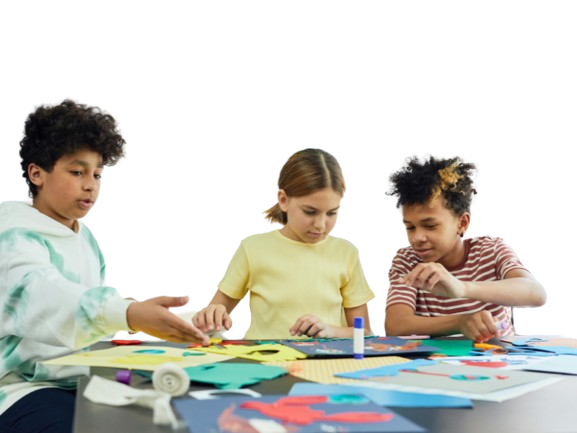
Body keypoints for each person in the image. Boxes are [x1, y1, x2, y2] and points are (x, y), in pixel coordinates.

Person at [0, 97, 209, 433]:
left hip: (83, 377)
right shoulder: (11, 236)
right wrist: (129, 313)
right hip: (20, 388)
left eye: (97, 174)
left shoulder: (85, 239)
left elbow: (90, 315)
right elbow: (46, 297)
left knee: (171, 417)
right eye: (77, 171)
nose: (90, 184)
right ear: (37, 173)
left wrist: (156, 318)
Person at [193, 148, 376, 340]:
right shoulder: (252, 248)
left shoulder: (346, 252)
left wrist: (331, 331)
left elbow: (363, 331)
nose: (321, 225)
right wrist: (212, 316)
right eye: (310, 211)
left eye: (332, 212)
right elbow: (215, 312)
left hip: (325, 364)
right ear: (283, 200)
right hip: (264, 363)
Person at [383, 154, 547, 342]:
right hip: (438, 365)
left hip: (499, 361)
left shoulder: (490, 249)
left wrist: (462, 288)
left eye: (430, 226)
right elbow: (396, 325)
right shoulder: (407, 260)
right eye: (410, 227)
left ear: (462, 222)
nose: (417, 238)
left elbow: (536, 294)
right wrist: (460, 322)